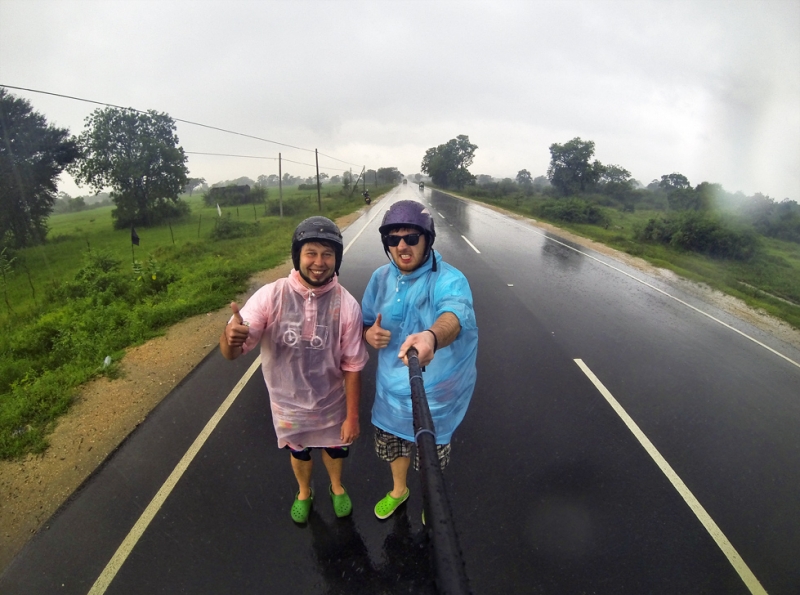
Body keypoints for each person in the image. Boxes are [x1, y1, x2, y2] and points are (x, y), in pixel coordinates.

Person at [220, 216, 368, 523]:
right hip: (287, 404)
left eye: (327, 254)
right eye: (311, 253)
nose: (319, 262)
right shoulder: (271, 296)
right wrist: (230, 337)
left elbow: (353, 365)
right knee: (299, 451)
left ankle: (336, 486)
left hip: (331, 400)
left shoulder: (347, 305)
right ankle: (304, 491)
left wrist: (352, 416)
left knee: (336, 449)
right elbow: (231, 352)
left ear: (336, 259)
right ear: (297, 255)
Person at [361, 200, 478, 519]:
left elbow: (454, 315)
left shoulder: (449, 279)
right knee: (394, 446)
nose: (402, 246)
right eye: (393, 239)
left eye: (411, 238)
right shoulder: (380, 278)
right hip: (391, 395)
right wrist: (369, 335)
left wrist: (432, 336)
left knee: (430, 457)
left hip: (435, 398)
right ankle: (399, 491)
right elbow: (366, 321)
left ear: (427, 239)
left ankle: (430, 501)